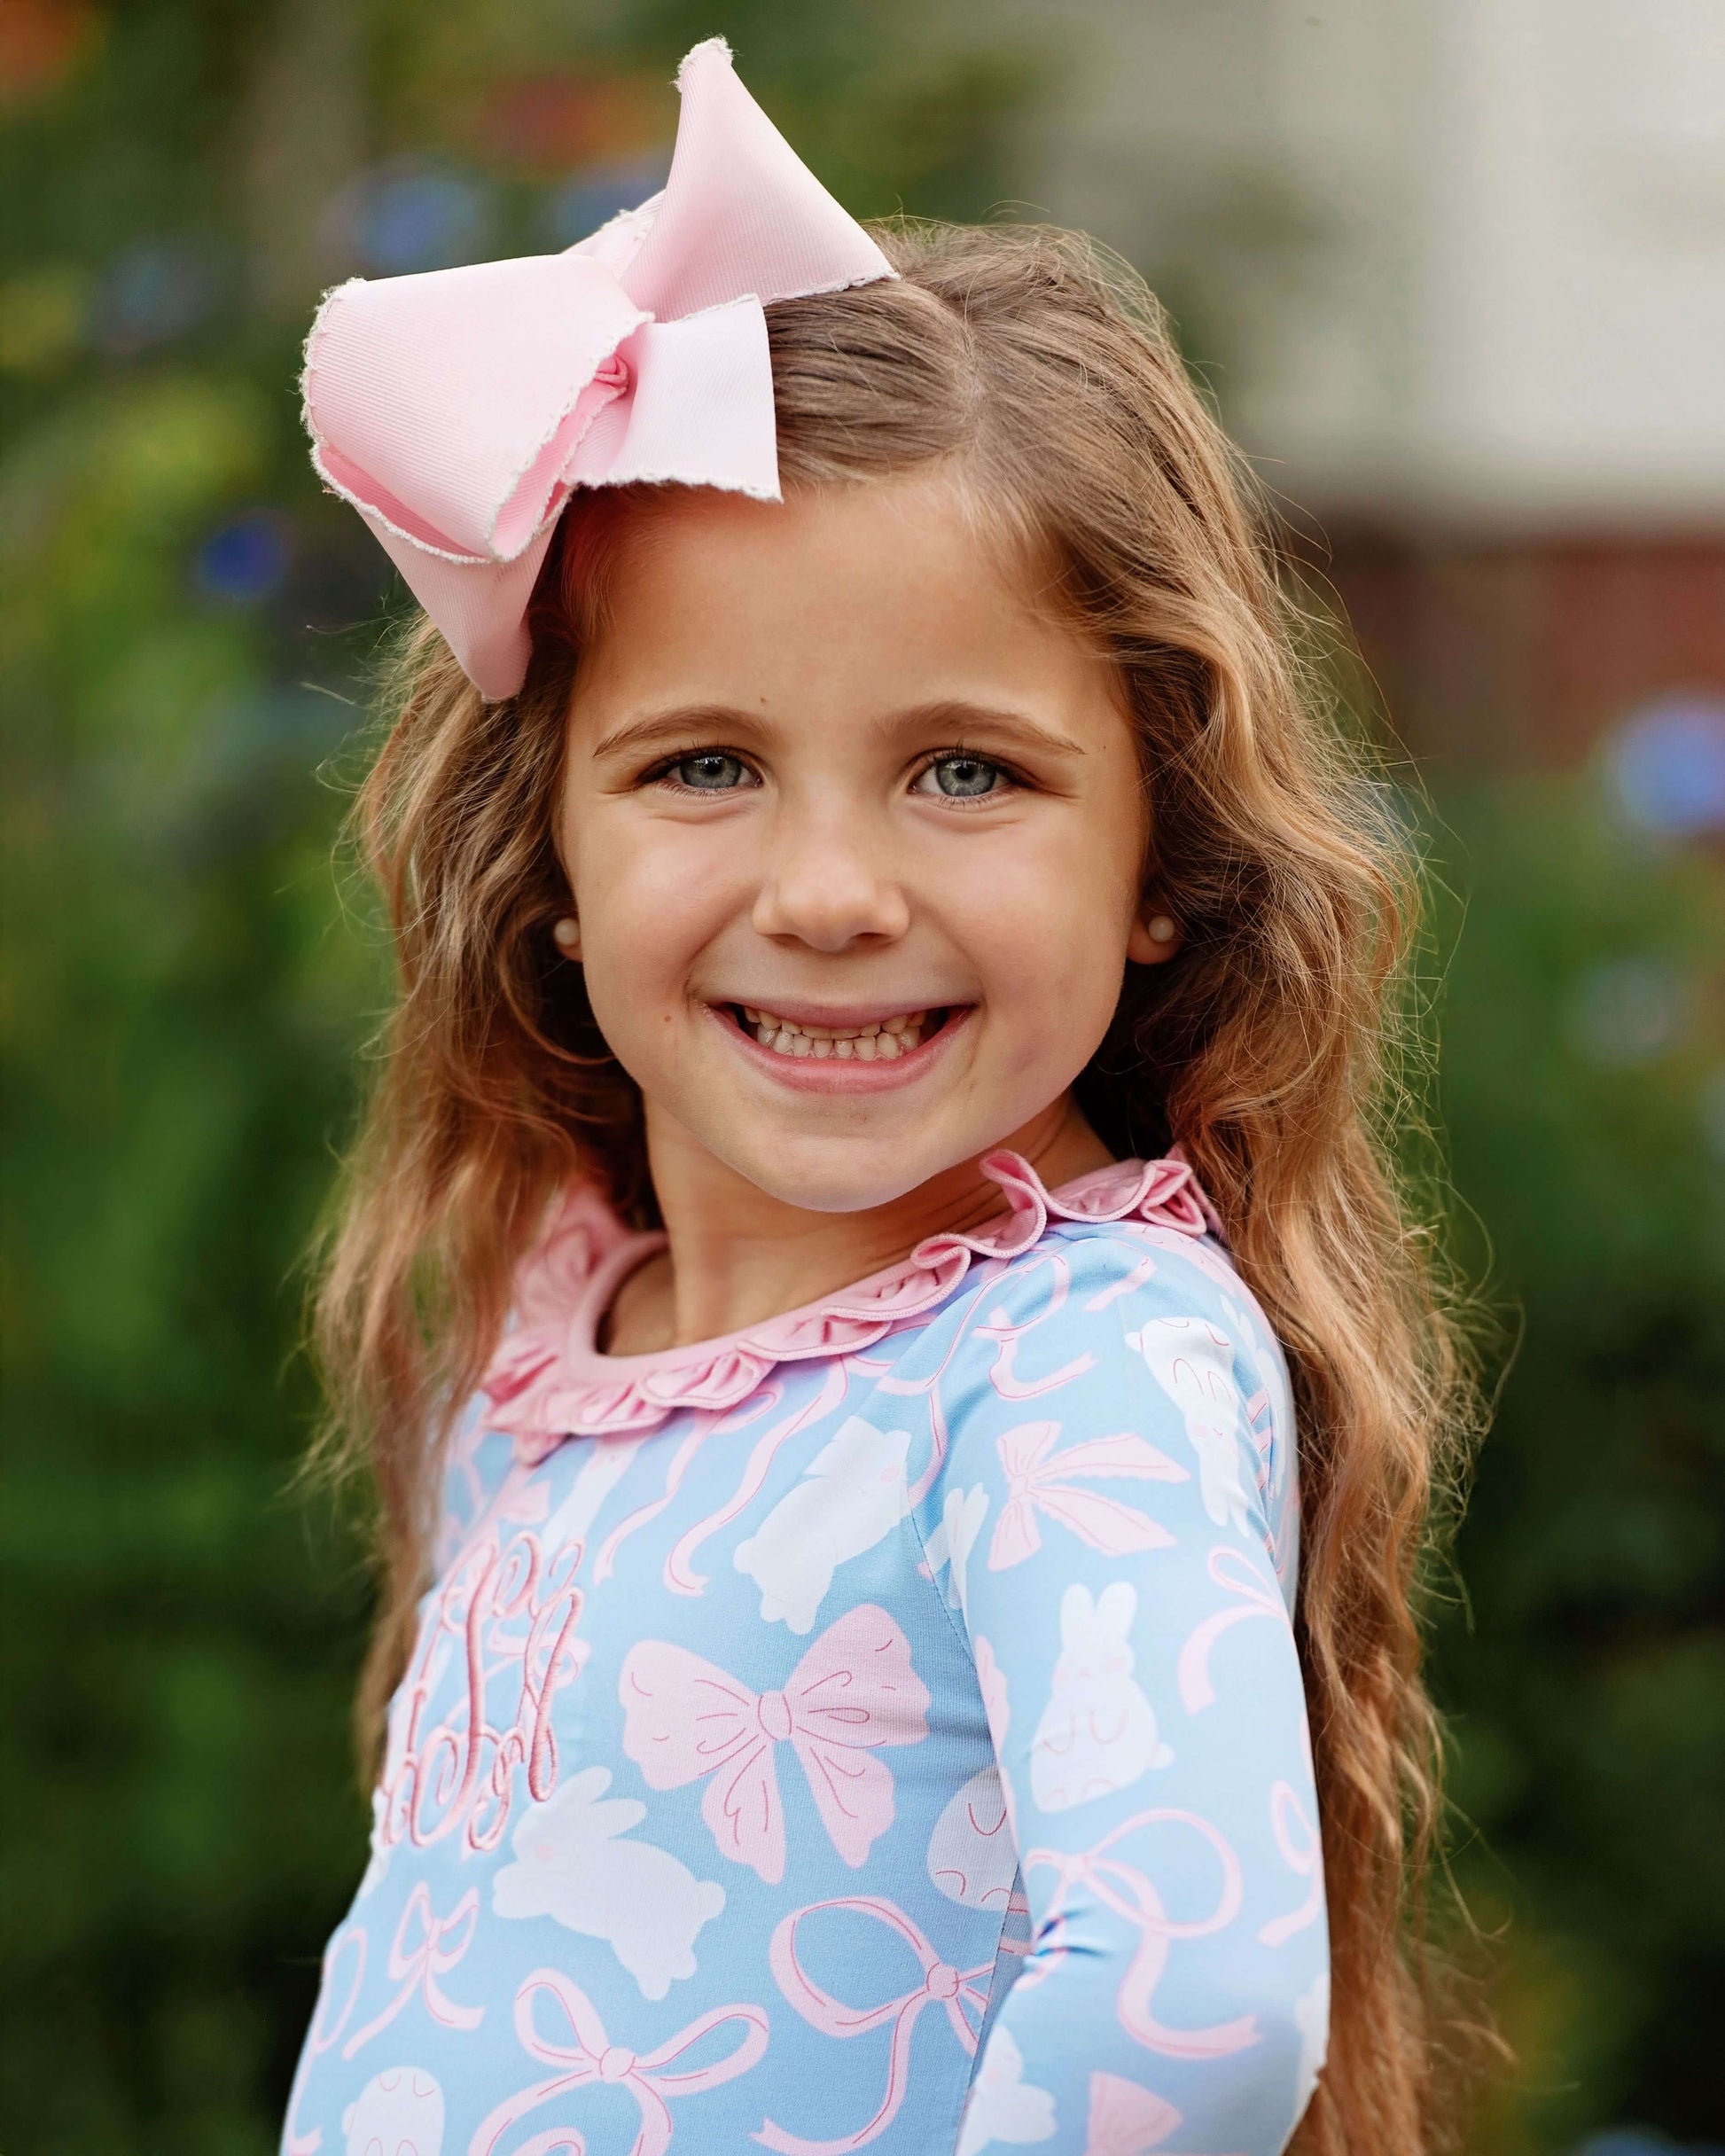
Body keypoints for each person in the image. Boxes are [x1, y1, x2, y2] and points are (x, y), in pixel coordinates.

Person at [284, 39, 1471, 2156]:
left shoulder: (1061, 1363)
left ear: (1157, 872)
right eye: (705, 765)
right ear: (547, 850)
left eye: (966, 772)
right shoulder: (556, 1317)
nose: (830, 895)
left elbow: (1188, 2005)